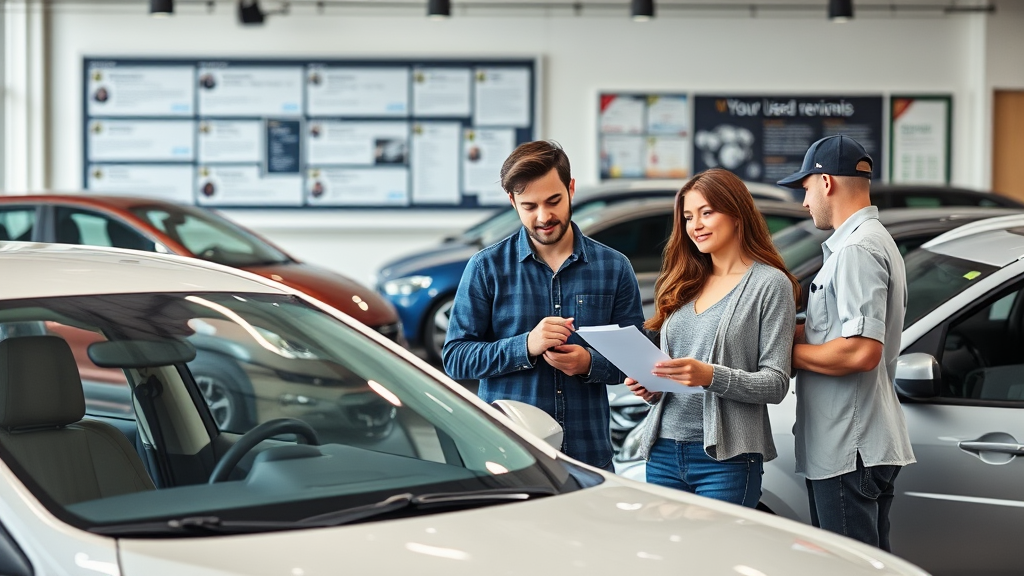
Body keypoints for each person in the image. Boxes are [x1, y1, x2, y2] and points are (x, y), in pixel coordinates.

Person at [443, 140, 645, 470]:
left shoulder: (613, 267)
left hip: (587, 455)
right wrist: (525, 345)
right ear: (512, 201)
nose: (544, 216)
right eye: (529, 206)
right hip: (509, 455)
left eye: (554, 201)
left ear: (571, 189)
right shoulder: (486, 267)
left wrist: (589, 363)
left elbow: (636, 360)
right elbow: (456, 359)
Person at [626, 168, 798, 507]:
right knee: (668, 558)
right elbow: (675, 376)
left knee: (716, 556)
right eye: (689, 217)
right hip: (662, 451)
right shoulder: (683, 281)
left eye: (707, 213)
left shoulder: (770, 284)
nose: (696, 225)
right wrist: (653, 387)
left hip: (725, 460)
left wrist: (710, 376)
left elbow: (776, 383)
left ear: (737, 214)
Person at [777, 134, 915, 551]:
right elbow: (836, 334)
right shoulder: (868, 241)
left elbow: (860, 350)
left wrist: (782, 355)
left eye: (805, 188)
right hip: (856, 445)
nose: (804, 202)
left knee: (846, 568)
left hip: (848, 447)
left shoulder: (857, 249)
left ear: (826, 182)